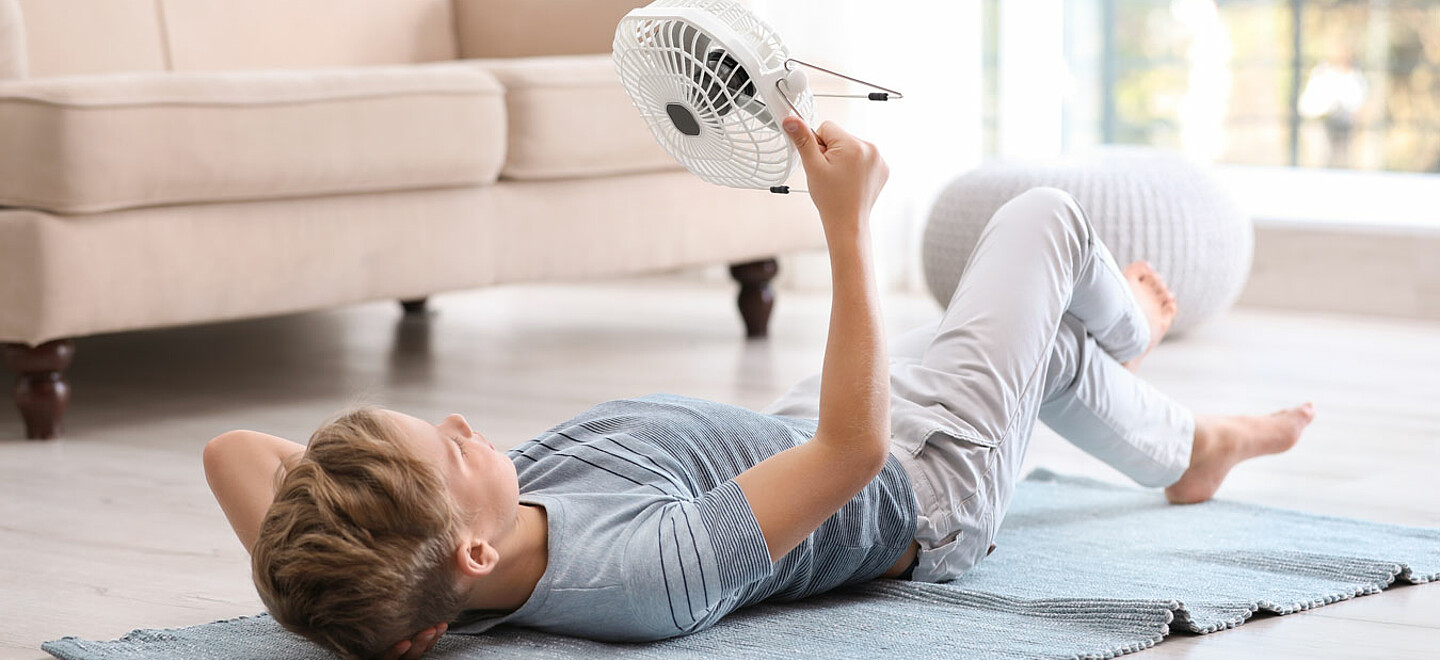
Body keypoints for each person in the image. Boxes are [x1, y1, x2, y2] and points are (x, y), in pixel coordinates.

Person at [203, 115, 1315, 660]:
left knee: (1037, 357)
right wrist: (846, 225)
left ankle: (1190, 448)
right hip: (925, 483)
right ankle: (1137, 326)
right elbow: (850, 454)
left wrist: (319, 594)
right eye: (449, 449)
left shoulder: (401, 572)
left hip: (782, 428)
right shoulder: (641, 579)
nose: (460, 424)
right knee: (1045, 222)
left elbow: (232, 454)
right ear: (474, 556)